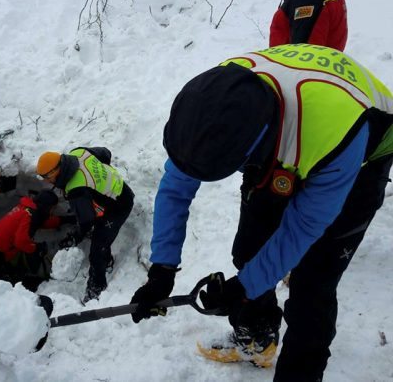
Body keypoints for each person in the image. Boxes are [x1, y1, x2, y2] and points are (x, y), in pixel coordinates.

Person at [130, 43, 393, 381]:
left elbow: (303, 228)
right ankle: (258, 337)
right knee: (249, 247)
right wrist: (162, 269)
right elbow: (176, 186)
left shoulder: (334, 136)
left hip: (360, 149)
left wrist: (245, 287)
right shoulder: (215, 101)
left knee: (312, 285)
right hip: (289, 124)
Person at [36, 147, 134, 303]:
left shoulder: (77, 189)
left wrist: (76, 237)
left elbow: (86, 221)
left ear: (54, 173)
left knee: (97, 249)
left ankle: (97, 288)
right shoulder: (78, 153)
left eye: (45, 178)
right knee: (99, 231)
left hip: (119, 206)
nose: (45, 181)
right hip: (119, 187)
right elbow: (105, 153)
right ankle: (106, 261)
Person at [0, 189, 70, 291]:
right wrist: (36, 248)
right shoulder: (28, 215)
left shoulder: (27, 209)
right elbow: (21, 242)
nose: (52, 211)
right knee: (2, 289)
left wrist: (64, 220)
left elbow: (41, 222)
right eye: (52, 208)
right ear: (46, 207)